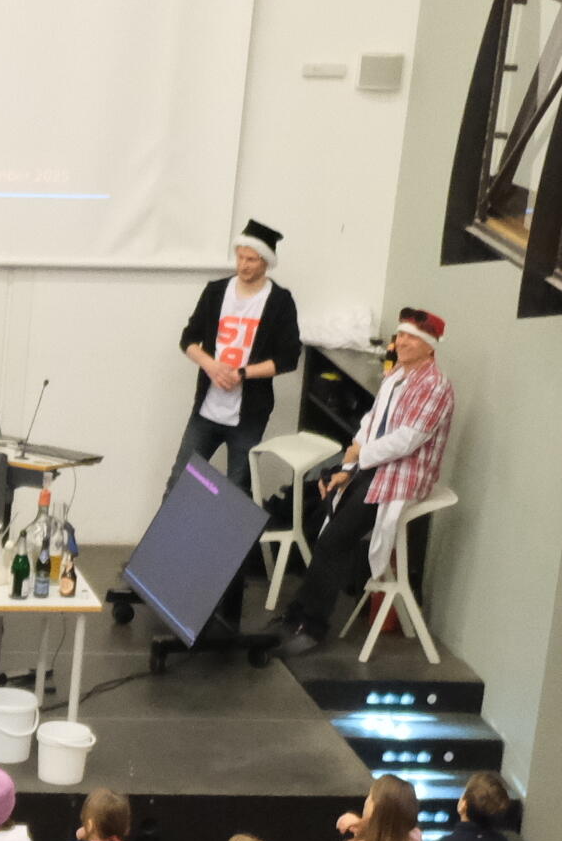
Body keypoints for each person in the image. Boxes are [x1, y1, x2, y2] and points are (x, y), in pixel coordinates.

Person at [283, 309, 451, 649]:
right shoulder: (396, 376)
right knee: (322, 519)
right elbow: (373, 420)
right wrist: (351, 456)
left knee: (336, 539)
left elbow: (408, 439)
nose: (401, 342)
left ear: (429, 347)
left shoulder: (436, 387)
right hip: (375, 465)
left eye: (411, 338)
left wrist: (362, 455)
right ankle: (300, 610)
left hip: (401, 476)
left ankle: (313, 626)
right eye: (400, 335)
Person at [167, 218, 298, 510]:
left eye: (252, 259)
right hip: (206, 409)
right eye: (240, 257)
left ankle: (230, 556)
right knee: (180, 479)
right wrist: (211, 366)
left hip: (249, 416)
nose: (244, 264)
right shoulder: (216, 292)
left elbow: (289, 358)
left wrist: (243, 373)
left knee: (237, 489)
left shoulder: (279, 301)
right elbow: (188, 338)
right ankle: (158, 554)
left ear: (266, 262)